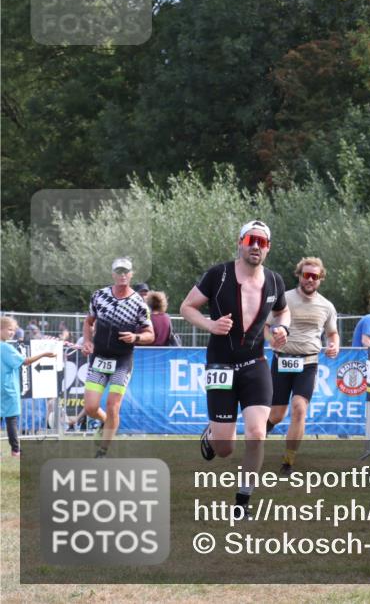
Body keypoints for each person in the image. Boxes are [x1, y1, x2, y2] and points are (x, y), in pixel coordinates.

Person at [180, 220, 290, 516]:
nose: (256, 246)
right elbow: (187, 307)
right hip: (221, 364)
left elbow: (282, 311)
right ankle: (213, 434)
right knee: (225, 447)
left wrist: (283, 330)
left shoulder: (276, 281)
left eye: (262, 242)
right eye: (251, 240)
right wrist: (210, 325)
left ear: (267, 249)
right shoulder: (219, 274)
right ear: (240, 242)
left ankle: (242, 502)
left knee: (257, 433)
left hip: (256, 363)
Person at [266, 256, 340, 475]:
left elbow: (332, 333)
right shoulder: (284, 299)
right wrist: (272, 340)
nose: (310, 280)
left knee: (299, 409)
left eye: (315, 276)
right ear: (299, 275)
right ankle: (266, 428)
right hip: (282, 361)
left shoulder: (326, 306)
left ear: (320, 279)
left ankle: (288, 461)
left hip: (308, 363)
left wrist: (334, 345)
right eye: (306, 275)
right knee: (278, 414)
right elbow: (266, 325)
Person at [80, 258, 154, 457]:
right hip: (99, 358)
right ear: (112, 274)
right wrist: (87, 341)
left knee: (113, 405)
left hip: (122, 361)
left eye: (126, 271)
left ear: (131, 274)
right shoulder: (99, 296)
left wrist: (136, 337)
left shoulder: (139, 303)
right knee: (90, 407)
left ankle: (103, 451)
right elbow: (88, 322)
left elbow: (150, 334)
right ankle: (104, 422)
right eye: (118, 271)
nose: (122, 275)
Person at [1, 316, 58, 457]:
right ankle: (16, 450)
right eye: (9, 329)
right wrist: (44, 354)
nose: (12, 333)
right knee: (11, 419)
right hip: (8, 389)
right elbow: (25, 361)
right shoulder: (5, 347)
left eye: (13, 330)